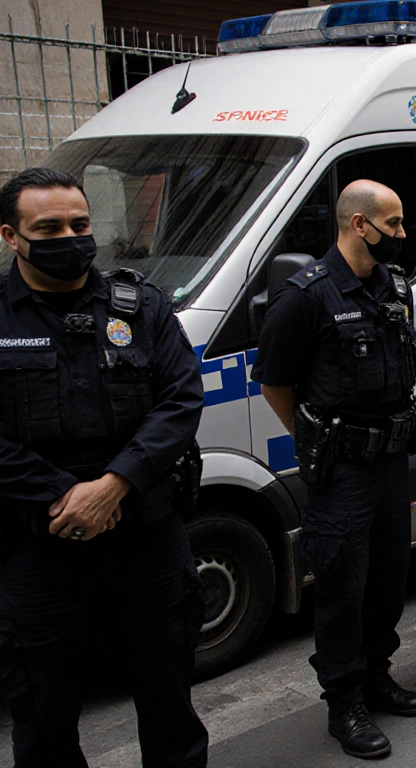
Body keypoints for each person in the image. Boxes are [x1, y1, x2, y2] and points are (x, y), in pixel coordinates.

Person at [0, 168, 208, 767]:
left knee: (170, 711)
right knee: (44, 721)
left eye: (80, 223)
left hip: (144, 538)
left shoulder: (139, 305)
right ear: (12, 236)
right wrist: (67, 495)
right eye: (49, 227)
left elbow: (181, 400)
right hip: (39, 549)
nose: (70, 236)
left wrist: (114, 485)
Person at [253, 179, 416, 759]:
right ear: (359, 225)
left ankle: (376, 674)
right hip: (343, 471)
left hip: (391, 462)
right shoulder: (306, 296)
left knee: (388, 580)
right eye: (394, 225)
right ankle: (344, 702)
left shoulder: (391, 285)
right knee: (341, 589)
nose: (402, 235)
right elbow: (275, 381)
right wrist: (317, 439)